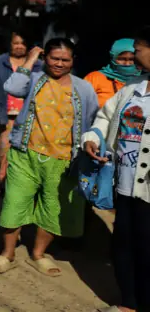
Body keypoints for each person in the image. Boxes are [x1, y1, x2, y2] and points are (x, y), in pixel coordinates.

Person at [0, 39, 98, 277]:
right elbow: (12, 88)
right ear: (45, 57)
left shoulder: (84, 88)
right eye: (54, 58)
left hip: (64, 160)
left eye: (65, 60)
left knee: (52, 207)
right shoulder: (34, 78)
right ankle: (8, 254)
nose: (59, 64)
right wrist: (30, 59)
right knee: (14, 202)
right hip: (26, 154)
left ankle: (38, 254)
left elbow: (91, 120)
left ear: (73, 61)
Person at [83, 28, 150, 312]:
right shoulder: (133, 87)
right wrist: (93, 137)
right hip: (125, 182)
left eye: (138, 50)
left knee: (147, 247)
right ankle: (129, 303)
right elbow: (106, 117)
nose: (133, 55)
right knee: (124, 243)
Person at [0, 31, 43, 183]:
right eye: (16, 43)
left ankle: (12, 185)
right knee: (4, 152)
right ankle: (7, 184)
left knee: (22, 155)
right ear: (9, 44)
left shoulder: (38, 65)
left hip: (28, 116)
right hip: (2, 115)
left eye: (23, 43)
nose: (19, 47)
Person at [84, 38, 140, 108]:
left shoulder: (144, 81)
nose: (127, 64)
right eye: (122, 59)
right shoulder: (95, 78)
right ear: (112, 58)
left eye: (132, 59)